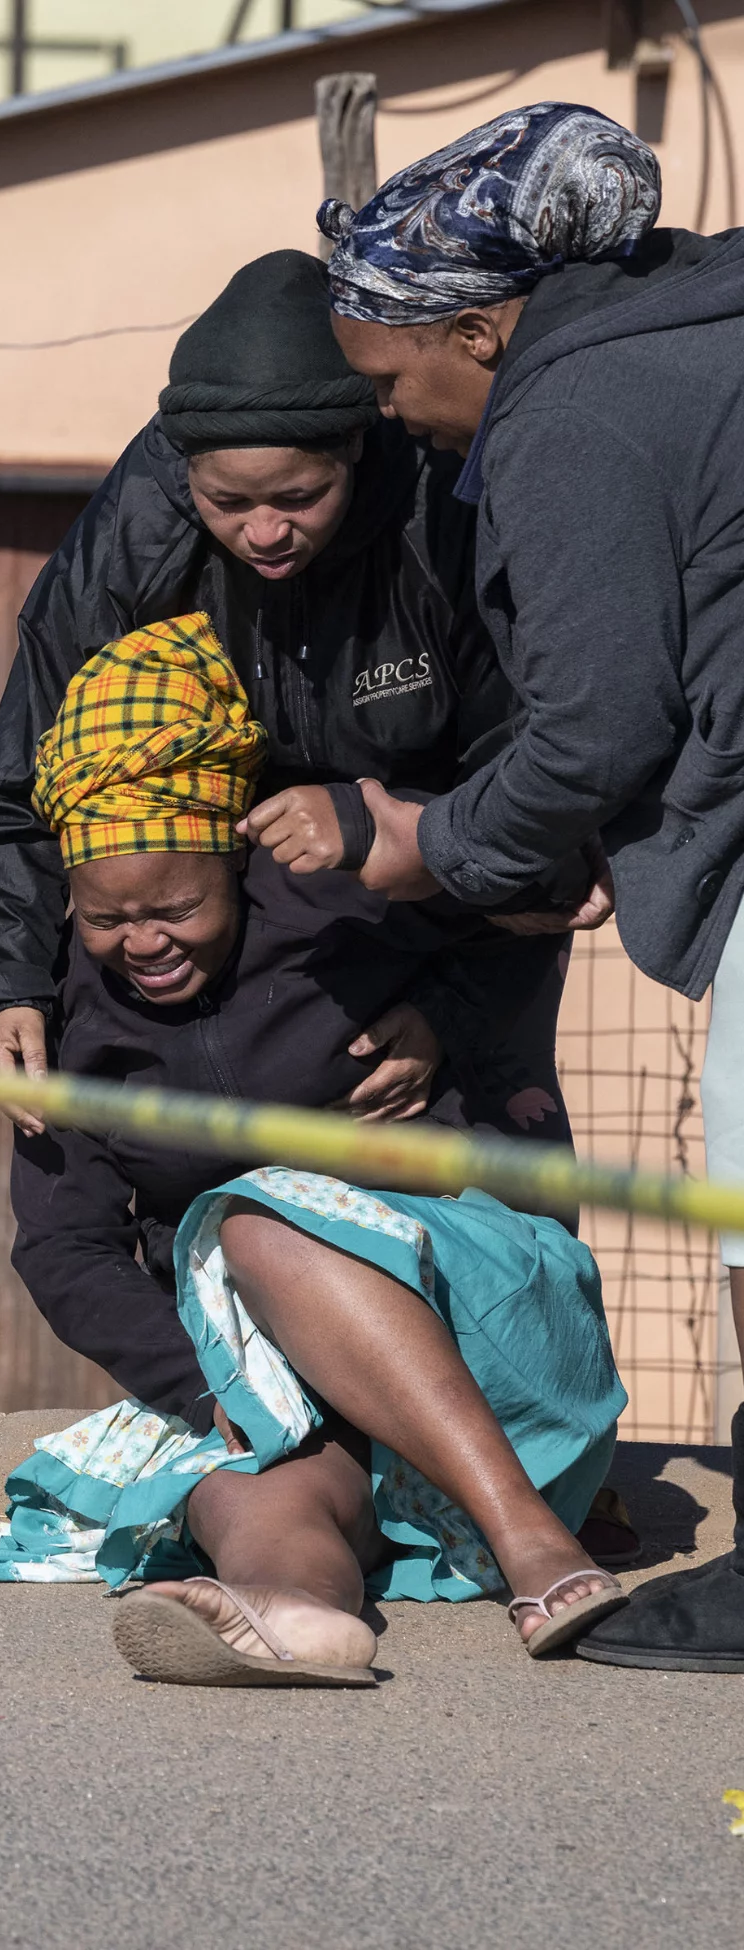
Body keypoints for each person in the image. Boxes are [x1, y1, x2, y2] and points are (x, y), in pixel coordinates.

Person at [0, 616, 627, 1684]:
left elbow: (543, 898)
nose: (142, 943)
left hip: (478, 1326)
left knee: (257, 1220)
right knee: (245, 1487)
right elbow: (63, 1247)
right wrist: (204, 1385)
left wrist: (439, 1009)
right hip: (264, 1376)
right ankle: (291, 1613)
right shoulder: (61, 1030)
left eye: (172, 907)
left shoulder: (336, 897)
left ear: (232, 859)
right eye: (103, 920)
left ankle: (528, 1536)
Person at [318, 103, 744, 1672]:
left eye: (391, 382)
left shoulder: (574, 405)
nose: (399, 422)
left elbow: (593, 724)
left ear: (483, 329)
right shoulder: (706, 319)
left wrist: (427, 843)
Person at [0, 248, 592, 1152]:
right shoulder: (130, 553)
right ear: (183, 475)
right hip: (234, 986)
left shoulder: (447, 522)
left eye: (299, 496)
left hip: (445, 949)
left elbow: (530, 799)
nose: (265, 531)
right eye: (227, 501)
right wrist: (3, 987)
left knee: (498, 1234)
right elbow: (26, 781)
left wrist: (455, 1011)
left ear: (356, 447)